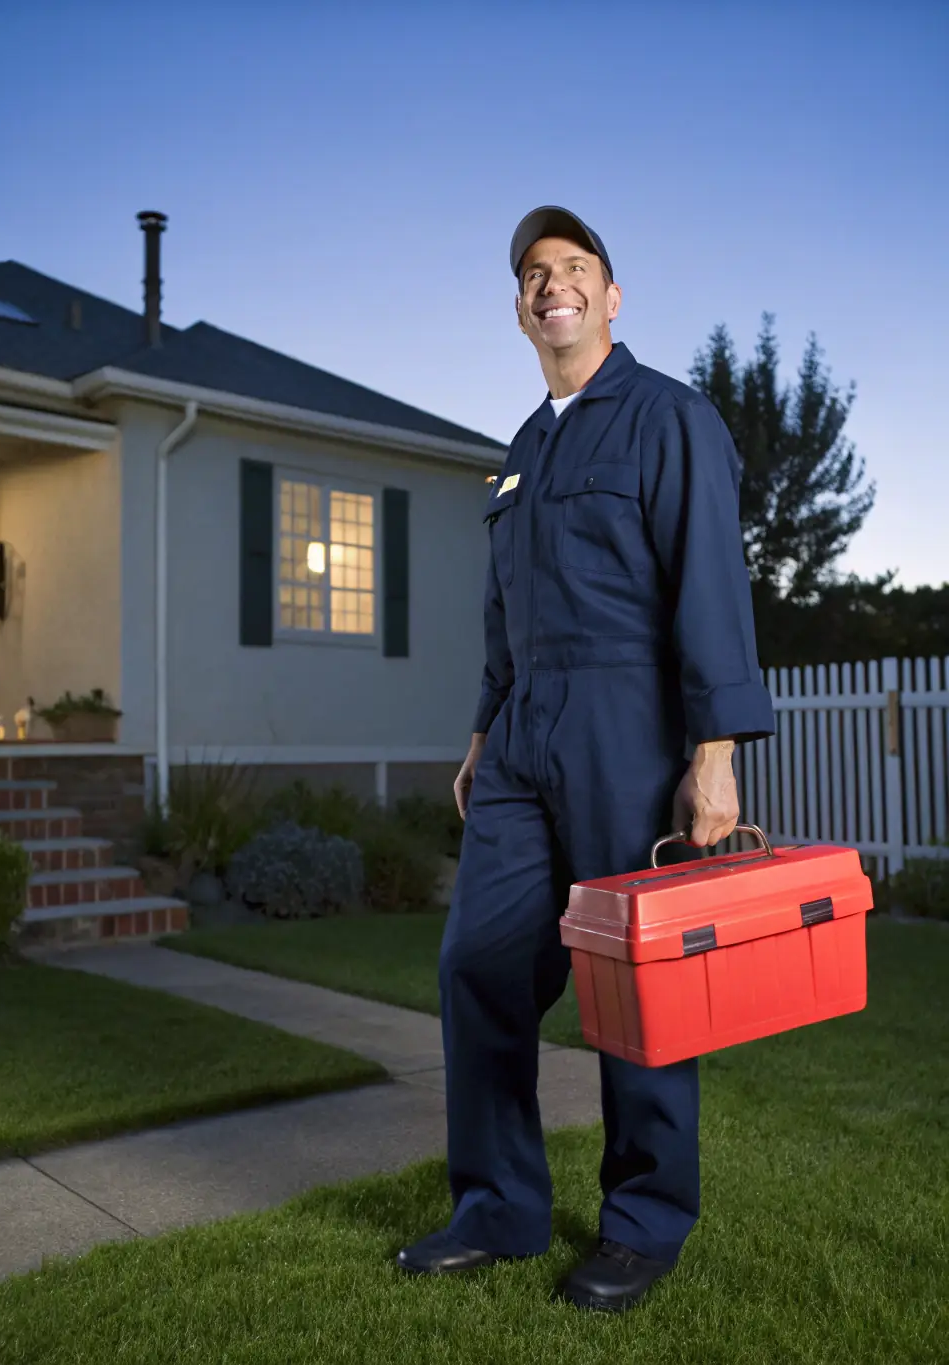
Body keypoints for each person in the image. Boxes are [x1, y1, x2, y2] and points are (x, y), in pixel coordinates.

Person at [395, 206, 776, 1313]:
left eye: (572, 269)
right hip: (521, 735)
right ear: (519, 309)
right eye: (530, 273)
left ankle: (644, 1223)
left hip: (629, 721)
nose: (548, 284)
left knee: (636, 982)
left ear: (612, 298)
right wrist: (480, 733)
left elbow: (709, 585)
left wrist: (713, 757)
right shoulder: (521, 451)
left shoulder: (670, 417)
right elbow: (501, 614)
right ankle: (497, 1207)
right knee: (480, 963)